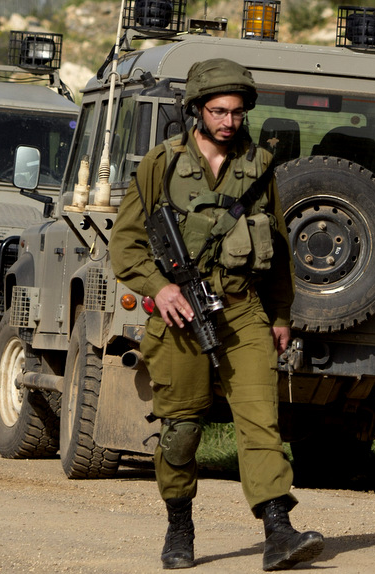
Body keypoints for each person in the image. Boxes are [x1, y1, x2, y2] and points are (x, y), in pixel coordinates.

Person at [112, 58, 325, 572]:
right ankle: (179, 524)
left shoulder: (260, 165)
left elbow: (274, 243)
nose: (228, 121)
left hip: (242, 310)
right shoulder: (161, 164)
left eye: (236, 112)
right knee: (181, 430)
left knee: (260, 424)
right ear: (197, 112)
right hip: (181, 316)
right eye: (218, 111)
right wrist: (160, 289)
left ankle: (278, 529)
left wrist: (280, 315)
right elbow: (126, 246)